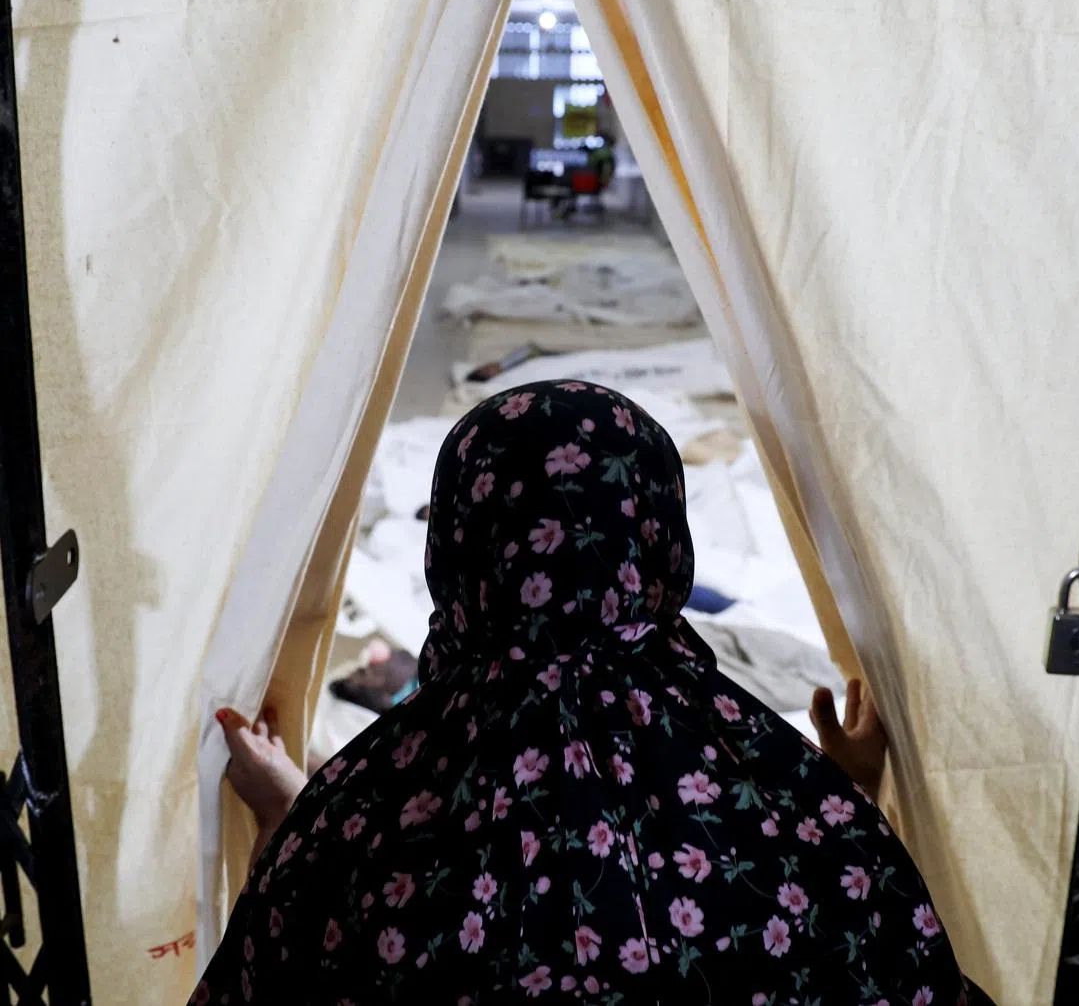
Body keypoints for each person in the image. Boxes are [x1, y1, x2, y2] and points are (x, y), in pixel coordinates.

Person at [193, 382, 989, 1005]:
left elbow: (279, 969)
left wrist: (284, 819)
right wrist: (842, 793)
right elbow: (872, 957)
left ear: (457, 551)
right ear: (662, 542)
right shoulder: (786, 806)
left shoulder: (358, 821)